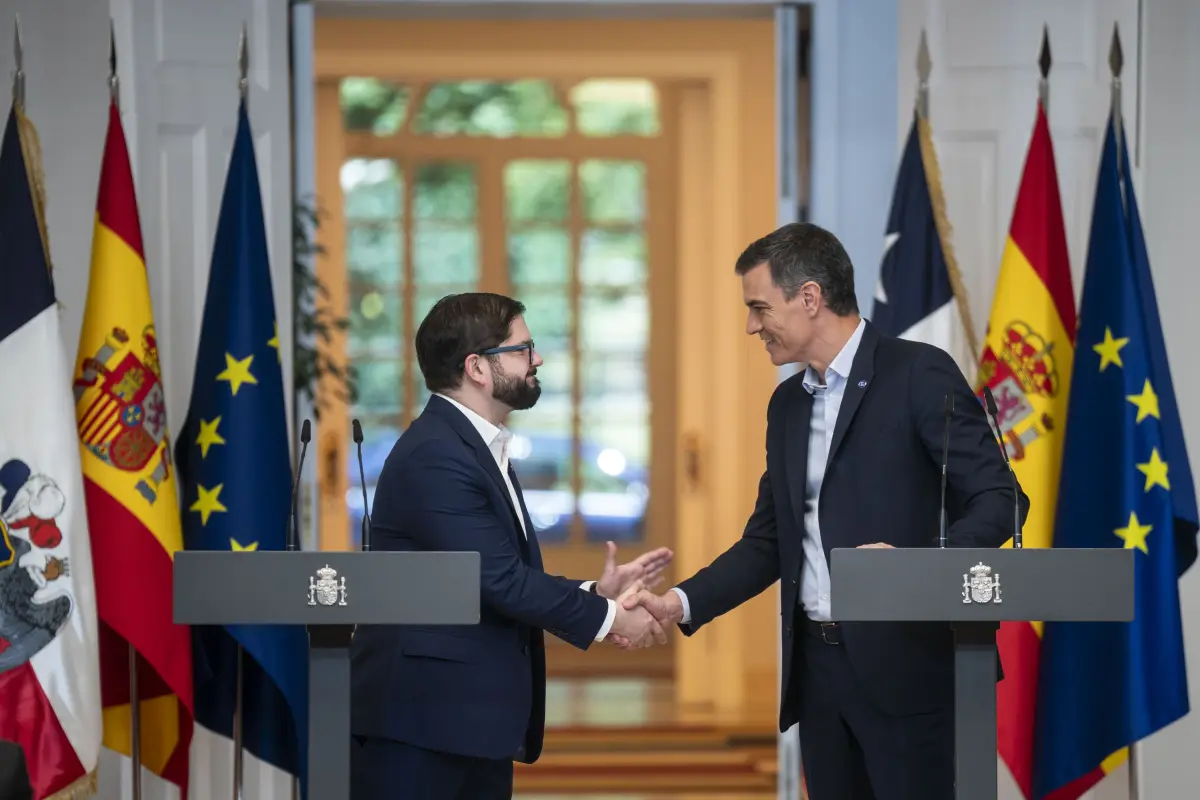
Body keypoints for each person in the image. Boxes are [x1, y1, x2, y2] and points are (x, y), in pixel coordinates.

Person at [619, 223, 1028, 800]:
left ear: (809, 298)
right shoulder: (787, 405)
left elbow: (1001, 498)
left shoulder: (917, 373)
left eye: (760, 307)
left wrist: (919, 570)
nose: (750, 325)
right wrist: (679, 602)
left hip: (909, 671)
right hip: (819, 676)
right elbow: (768, 541)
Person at [349, 292, 670, 800]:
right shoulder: (437, 454)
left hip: (467, 723)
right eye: (523, 349)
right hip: (421, 727)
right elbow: (500, 581)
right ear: (477, 367)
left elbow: (494, 572)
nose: (537, 359)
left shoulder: (476, 443)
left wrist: (596, 590)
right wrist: (610, 617)